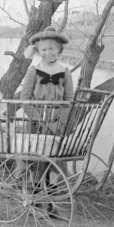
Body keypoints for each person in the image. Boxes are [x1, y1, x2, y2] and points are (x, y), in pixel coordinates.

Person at [19, 26, 75, 193]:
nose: (47, 52)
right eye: (43, 49)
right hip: (36, 123)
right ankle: (34, 196)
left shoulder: (64, 71)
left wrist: (59, 123)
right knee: (36, 159)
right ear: (38, 50)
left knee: (53, 158)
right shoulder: (33, 70)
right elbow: (25, 98)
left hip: (56, 125)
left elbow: (68, 100)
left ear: (59, 49)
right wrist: (39, 120)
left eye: (51, 48)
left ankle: (51, 196)